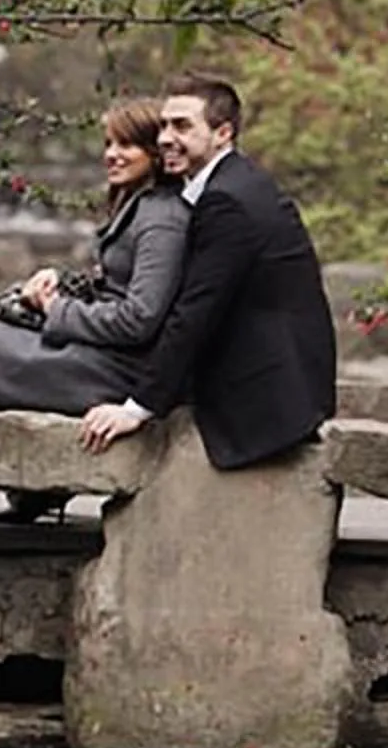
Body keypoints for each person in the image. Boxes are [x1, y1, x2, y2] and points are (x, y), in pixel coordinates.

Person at [0, 100, 191, 524]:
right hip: (98, 353)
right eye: (108, 143)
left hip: (113, 370)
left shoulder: (162, 220)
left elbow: (140, 318)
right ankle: (33, 491)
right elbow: (116, 284)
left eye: (127, 144)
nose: (112, 154)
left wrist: (57, 310)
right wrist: (59, 280)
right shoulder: (141, 205)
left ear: (155, 152)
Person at [79, 74, 334, 470]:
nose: (165, 138)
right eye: (163, 125)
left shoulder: (226, 201)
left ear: (223, 133)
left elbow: (196, 311)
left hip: (265, 398)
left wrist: (137, 408)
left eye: (182, 126)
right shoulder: (232, 184)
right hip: (282, 381)